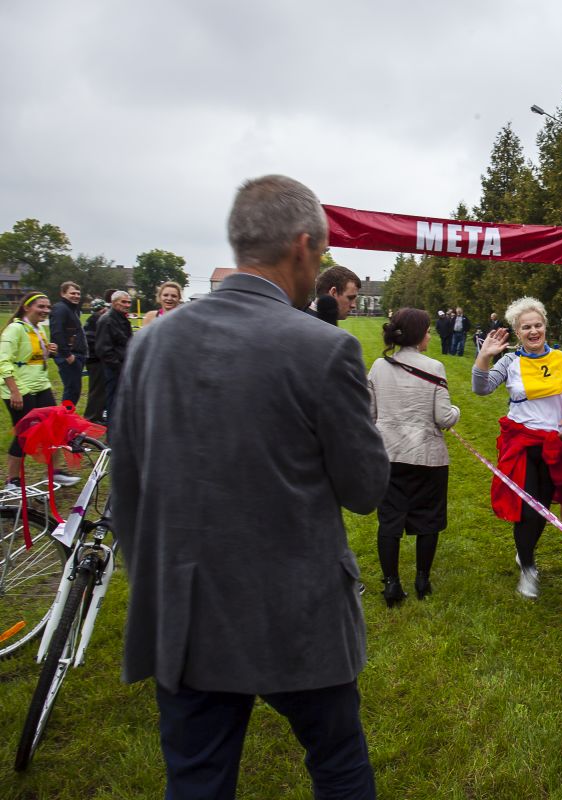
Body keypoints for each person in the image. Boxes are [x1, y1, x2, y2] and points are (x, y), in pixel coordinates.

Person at [110, 174, 390, 799]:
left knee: (197, 781)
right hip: (299, 611)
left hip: (188, 610)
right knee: (339, 765)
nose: (318, 266)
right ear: (302, 246)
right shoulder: (325, 348)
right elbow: (366, 488)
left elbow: (126, 487)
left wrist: (158, 583)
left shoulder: (150, 343)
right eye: (321, 252)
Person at [473, 297, 562, 600]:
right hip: (521, 446)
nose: (533, 331)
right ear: (517, 332)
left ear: (545, 326)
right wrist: (484, 357)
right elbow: (481, 388)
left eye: (537, 325)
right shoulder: (509, 362)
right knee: (527, 511)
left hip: (554, 446)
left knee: (543, 509)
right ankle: (528, 569)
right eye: (526, 327)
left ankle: (525, 553)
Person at [368, 307, 460, 605]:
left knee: (389, 520)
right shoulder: (434, 367)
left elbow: (369, 413)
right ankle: (422, 580)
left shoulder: (378, 367)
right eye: (428, 331)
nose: (430, 336)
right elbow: (443, 417)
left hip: (389, 454)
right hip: (427, 456)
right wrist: (456, 411)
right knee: (428, 518)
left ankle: (391, 584)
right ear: (419, 334)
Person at [1, 292, 80, 487]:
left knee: (54, 428)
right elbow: (3, 360)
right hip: (20, 389)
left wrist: (49, 351)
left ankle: (54, 473)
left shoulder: (38, 329)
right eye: (41, 306)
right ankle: (12, 481)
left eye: (48, 307)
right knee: (25, 434)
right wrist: (14, 391)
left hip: (41, 385)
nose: (46, 310)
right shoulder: (15, 329)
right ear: (27, 307)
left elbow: (33, 357)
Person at [94, 290, 132, 424]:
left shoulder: (122, 319)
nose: (127, 305)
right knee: (114, 399)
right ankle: (113, 428)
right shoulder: (107, 320)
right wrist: (118, 366)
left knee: (122, 399)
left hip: (123, 365)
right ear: (114, 302)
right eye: (124, 302)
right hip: (114, 368)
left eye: (129, 302)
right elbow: (103, 349)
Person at [49, 281, 87, 406]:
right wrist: (67, 355)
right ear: (63, 293)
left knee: (75, 391)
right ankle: (64, 416)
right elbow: (57, 333)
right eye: (72, 293)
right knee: (71, 391)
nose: (76, 296)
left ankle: (67, 415)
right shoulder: (60, 308)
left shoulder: (72, 309)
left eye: (78, 294)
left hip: (76, 355)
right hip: (69, 356)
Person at [82, 297, 108, 424]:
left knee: (101, 389)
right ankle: (92, 417)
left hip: (97, 359)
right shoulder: (95, 321)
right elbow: (93, 342)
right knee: (97, 390)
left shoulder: (93, 320)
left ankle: (98, 415)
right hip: (95, 361)